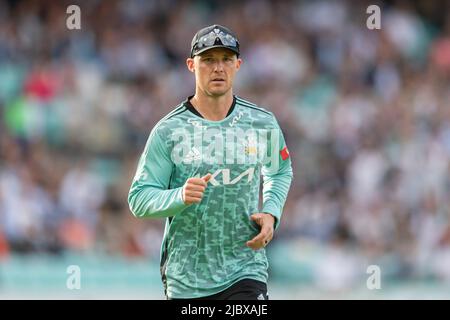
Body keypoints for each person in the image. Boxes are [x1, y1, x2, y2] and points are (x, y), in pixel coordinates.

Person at [128, 24, 293, 300]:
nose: (218, 68)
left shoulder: (262, 123)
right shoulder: (168, 131)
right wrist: (179, 196)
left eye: (226, 60)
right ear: (191, 65)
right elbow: (139, 198)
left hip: (245, 268)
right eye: (208, 60)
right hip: (187, 279)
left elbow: (280, 170)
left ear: (238, 65)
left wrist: (272, 212)